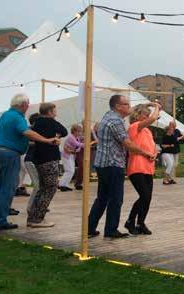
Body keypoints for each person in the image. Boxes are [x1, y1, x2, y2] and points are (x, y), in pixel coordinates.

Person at [88, 94, 156, 239]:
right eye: (126, 104)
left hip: (103, 163)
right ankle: (111, 230)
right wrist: (145, 153)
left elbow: (133, 112)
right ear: (118, 106)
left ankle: (90, 227)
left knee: (102, 197)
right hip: (113, 163)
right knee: (116, 198)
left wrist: (147, 104)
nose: (129, 107)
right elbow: (128, 144)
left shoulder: (109, 116)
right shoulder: (116, 121)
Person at [0, 94, 59, 231]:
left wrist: (34, 142)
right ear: (23, 105)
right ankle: (0, 221)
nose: (28, 107)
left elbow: (17, 136)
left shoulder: (6, 115)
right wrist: (46, 140)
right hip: (10, 155)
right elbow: (27, 132)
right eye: (27, 105)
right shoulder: (17, 117)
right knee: (8, 188)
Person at [26, 102, 68, 228]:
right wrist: (56, 136)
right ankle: (37, 219)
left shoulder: (36, 123)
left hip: (38, 159)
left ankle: (32, 217)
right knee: (50, 188)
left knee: (42, 188)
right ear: (50, 112)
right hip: (50, 159)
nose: (56, 113)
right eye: (54, 111)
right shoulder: (51, 122)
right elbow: (64, 131)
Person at [124, 102, 161, 235]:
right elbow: (152, 119)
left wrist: (154, 153)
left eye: (147, 115)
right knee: (144, 195)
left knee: (147, 197)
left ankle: (141, 222)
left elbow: (151, 147)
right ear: (137, 115)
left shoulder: (147, 131)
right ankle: (130, 221)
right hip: (137, 166)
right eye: (145, 115)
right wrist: (156, 107)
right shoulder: (135, 127)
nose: (147, 117)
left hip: (148, 167)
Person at [22, 113, 41, 214]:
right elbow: (26, 142)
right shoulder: (30, 130)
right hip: (30, 160)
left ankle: (37, 206)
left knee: (39, 185)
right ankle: (31, 208)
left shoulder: (33, 130)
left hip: (34, 160)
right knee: (38, 186)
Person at [59, 123, 83, 191]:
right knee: (69, 170)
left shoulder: (77, 138)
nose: (80, 133)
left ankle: (64, 184)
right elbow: (77, 144)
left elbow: (78, 148)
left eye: (80, 131)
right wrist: (86, 144)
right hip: (66, 156)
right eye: (78, 131)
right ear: (74, 131)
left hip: (71, 155)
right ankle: (61, 184)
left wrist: (75, 150)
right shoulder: (71, 137)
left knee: (71, 171)